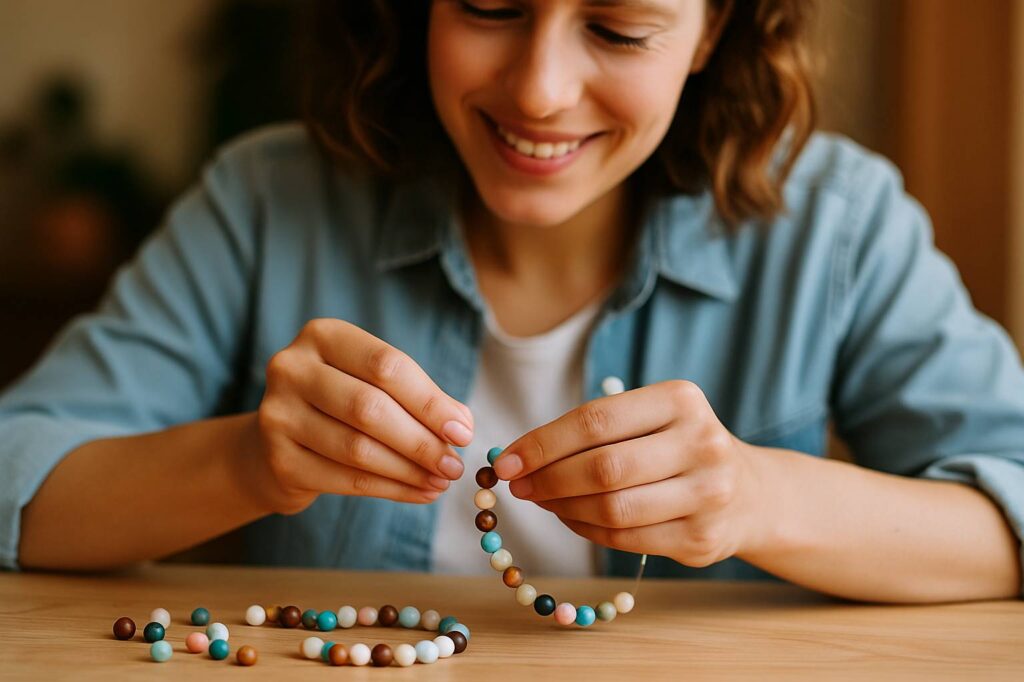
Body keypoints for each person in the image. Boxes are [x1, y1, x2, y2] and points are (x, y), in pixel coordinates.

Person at [2, 0, 1022, 604]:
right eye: (489, 6)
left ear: (713, 29)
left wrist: (757, 497)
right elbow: (18, 477)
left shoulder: (835, 222)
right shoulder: (268, 202)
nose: (538, 90)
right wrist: (245, 461)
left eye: (619, 29)